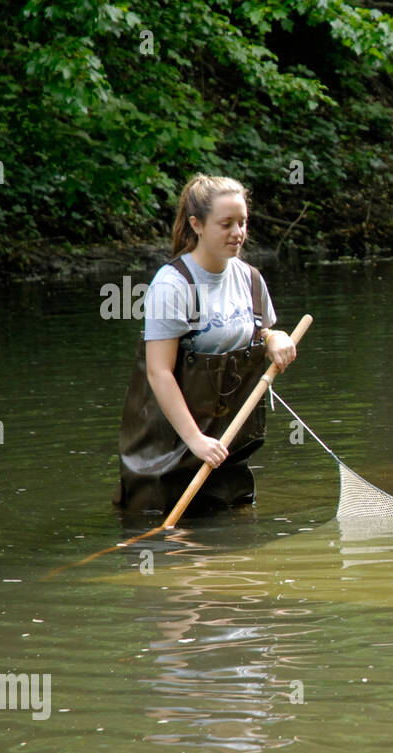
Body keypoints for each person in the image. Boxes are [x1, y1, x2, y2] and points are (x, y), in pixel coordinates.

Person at [114, 175, 297, 515]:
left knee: (236, 542)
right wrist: (195, 440)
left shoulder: (251, 280)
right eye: (226, 224)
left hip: (228, 455)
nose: (238, 233)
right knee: (166, 548)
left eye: (242, 223)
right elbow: (158, 372)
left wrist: (275, 337)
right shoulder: (173, 285)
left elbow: (259, 334)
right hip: (166, 456)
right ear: (196, 224)